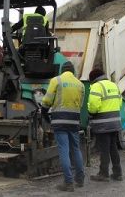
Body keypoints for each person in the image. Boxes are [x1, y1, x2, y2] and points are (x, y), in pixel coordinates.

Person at [42, 61, 85, 192]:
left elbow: (47, 99)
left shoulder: (57, 80)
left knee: (64, 150)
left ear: (62, 70)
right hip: (74, 121)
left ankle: (68, 183)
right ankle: (80, 179)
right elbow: (81, 104)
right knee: (76, 149)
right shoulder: (80, 84)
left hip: (60, 120)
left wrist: (44, 111)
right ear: (73, 71)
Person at [88, 69, 123, 182]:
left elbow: (93, 105)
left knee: (104, 149)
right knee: (113, 147)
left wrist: (91, 113)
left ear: (93, 78)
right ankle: (118, 173)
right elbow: (120, 103)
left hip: (103, 123)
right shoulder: (114, 85)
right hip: (115, 122)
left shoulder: (97, 86)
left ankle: (104, 173)